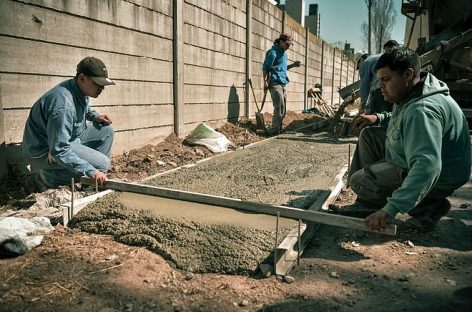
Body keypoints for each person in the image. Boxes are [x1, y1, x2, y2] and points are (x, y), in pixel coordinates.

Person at [342, 47, 471, 231]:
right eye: (379, 80)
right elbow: (400, 116)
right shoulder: (416, 90)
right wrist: (378, 117)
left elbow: (427, 166)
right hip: (434, 162)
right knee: (370, 136)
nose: (381, 86)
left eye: (386, 80)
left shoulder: (422, 110)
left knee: (359, 181)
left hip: (441, 175)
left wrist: (390, 210)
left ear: (408, 74)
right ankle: (369, 202)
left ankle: (428, 207)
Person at [23, 56, 116, 191]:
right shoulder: (63, 105)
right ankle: (48, 177)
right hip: (45, 151)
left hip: (68, 139)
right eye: (98, 83)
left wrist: (95, 116)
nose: (102, 88)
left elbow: (84, 107)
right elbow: (59, 150)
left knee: (106, 131)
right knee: (101, 164)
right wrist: (91, 170)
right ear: (82, 78)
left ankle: (91, 178)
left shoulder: (77, 88)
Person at [262, 33, 301, 134]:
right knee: (279, 107)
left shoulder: (284, 55)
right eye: (287, 44)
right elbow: (265, 68)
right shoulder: (272, 53)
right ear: (281, 41)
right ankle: (273, 130)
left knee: (283, 108)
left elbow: (283, 69)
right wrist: (264, 83)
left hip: (283, 83)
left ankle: (278, 128)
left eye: (290, 45)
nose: (288, 47)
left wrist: (293, 65)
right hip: (274, 82)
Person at [357, 40, 399, 114]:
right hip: (395, 89)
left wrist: (362, 107)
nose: (359, 67)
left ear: (361, 60)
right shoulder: (380, 57)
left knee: (377, 115)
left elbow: (364, 88)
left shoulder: (365, 64)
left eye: (358, 65)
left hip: (381, 92)